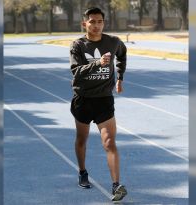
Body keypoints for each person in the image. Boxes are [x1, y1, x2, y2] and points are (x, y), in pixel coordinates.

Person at [69, 7, 127, 202]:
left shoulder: (113, 42)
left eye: (99, 21)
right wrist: (98, 64)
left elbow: (122, 54)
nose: (96, 25)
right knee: (81, 140)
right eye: (92, 21)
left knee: (109, 142)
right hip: (83, 99)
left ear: (104, 23)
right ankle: (83, 172)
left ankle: (116, 185)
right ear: (84, 23)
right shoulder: (78, 45)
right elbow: (76, 71)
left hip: (104, 99)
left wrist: (120, 77)